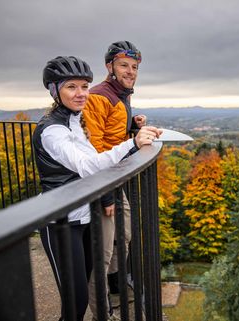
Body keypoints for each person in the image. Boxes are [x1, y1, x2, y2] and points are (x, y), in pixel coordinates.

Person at [33, 56, 161, 321]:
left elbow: (98, 154)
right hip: (60, 221)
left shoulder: (74, 121)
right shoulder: (52, 131)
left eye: (84, 86)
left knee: (84, 289)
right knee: (75, 304)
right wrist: (133, 144)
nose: (81, 94)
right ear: (54, 89)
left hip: (84, 217)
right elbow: (89, 166)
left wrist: (130, 130)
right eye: (71, 87)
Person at [83, 40, 147, 319]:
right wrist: (105, 193)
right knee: (104, 251)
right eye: (124, 65)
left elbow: (112, 134)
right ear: (109, 67)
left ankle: (114, 284)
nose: (130, 71)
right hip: (102, 181)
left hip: (114, 177)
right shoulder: (99, 96)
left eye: (134, 67)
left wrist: (133, 126)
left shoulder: (121, 95)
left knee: (126, 234)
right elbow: (94, 148)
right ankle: (102, 311)